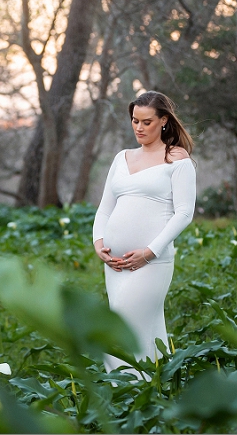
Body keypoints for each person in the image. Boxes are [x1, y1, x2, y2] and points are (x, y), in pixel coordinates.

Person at [92, 91, 196, 380]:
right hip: (115, 264)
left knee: (118, 328)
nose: (139, 127)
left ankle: (125, 391)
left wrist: (150, 251)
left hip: (152, 262)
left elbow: (184, 213)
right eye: (135, 121)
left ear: (163, 121)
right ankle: (155, 393)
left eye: (147, 121)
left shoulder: (175, 157)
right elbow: (103, 210)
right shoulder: (121, 158)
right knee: (147, 329)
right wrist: (98, 243)